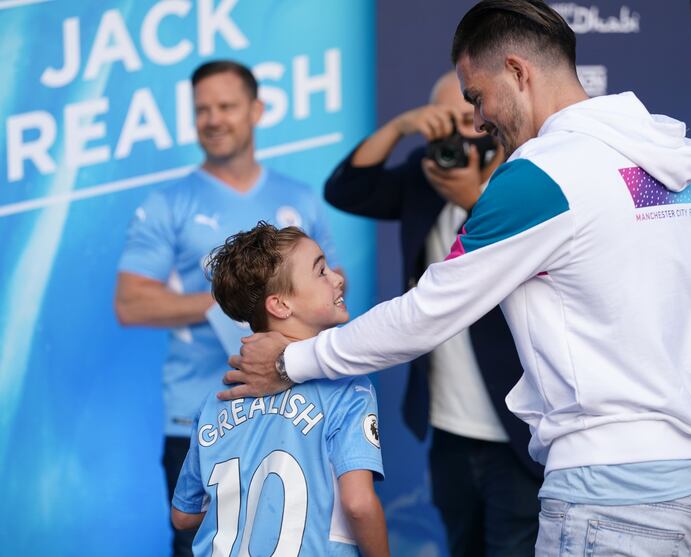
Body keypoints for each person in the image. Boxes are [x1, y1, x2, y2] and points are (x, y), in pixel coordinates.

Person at [223, 1, 691, 555]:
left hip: (609, 488)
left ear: (518, 71)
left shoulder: (540, 177)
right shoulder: (679, 165)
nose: (480, 121)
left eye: (476, 97)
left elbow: (425, 313)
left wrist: (289, 361)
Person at [113, 60, 338, 557]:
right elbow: (130, 303)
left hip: (295, 414)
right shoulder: (168, 203)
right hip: (198, 416)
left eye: (227, 106)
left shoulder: (299, 201)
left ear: (256, 109)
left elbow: (330, 300)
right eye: (202, 110)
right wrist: (236, 300)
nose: (213, 119)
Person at [324, 70, 543, 556]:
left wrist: (471, 198)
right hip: (448, 432)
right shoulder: (425, 181)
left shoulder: (526, 185)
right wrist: (402, 126)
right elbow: (345, 189)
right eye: (441, 123)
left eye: (467, 116)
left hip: (520, 435)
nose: (455, 136)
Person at [170, 222, 388, 557]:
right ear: (281, 305)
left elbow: (183, 515)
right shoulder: (349, 389)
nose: (337, 277)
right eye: (320, 271)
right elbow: (358, 504)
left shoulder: (217, 400)